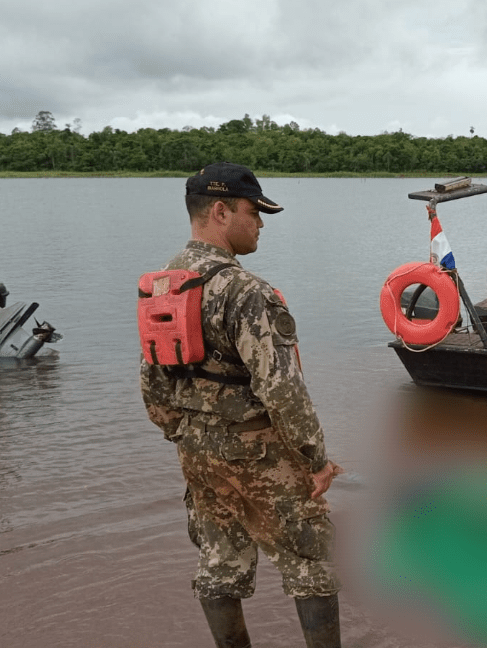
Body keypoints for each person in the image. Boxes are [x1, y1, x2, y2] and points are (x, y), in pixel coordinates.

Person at [140, 162, 343, 648]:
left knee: (219, 561)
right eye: (254, 212)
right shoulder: (247, 292)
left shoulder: (162, 287)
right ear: (220, 211)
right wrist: (314, 460)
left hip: (198, 452)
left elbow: (153, 384)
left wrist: (185, 435)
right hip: (259, 450)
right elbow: (282, 389)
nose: (261, 223)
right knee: (310, 559)